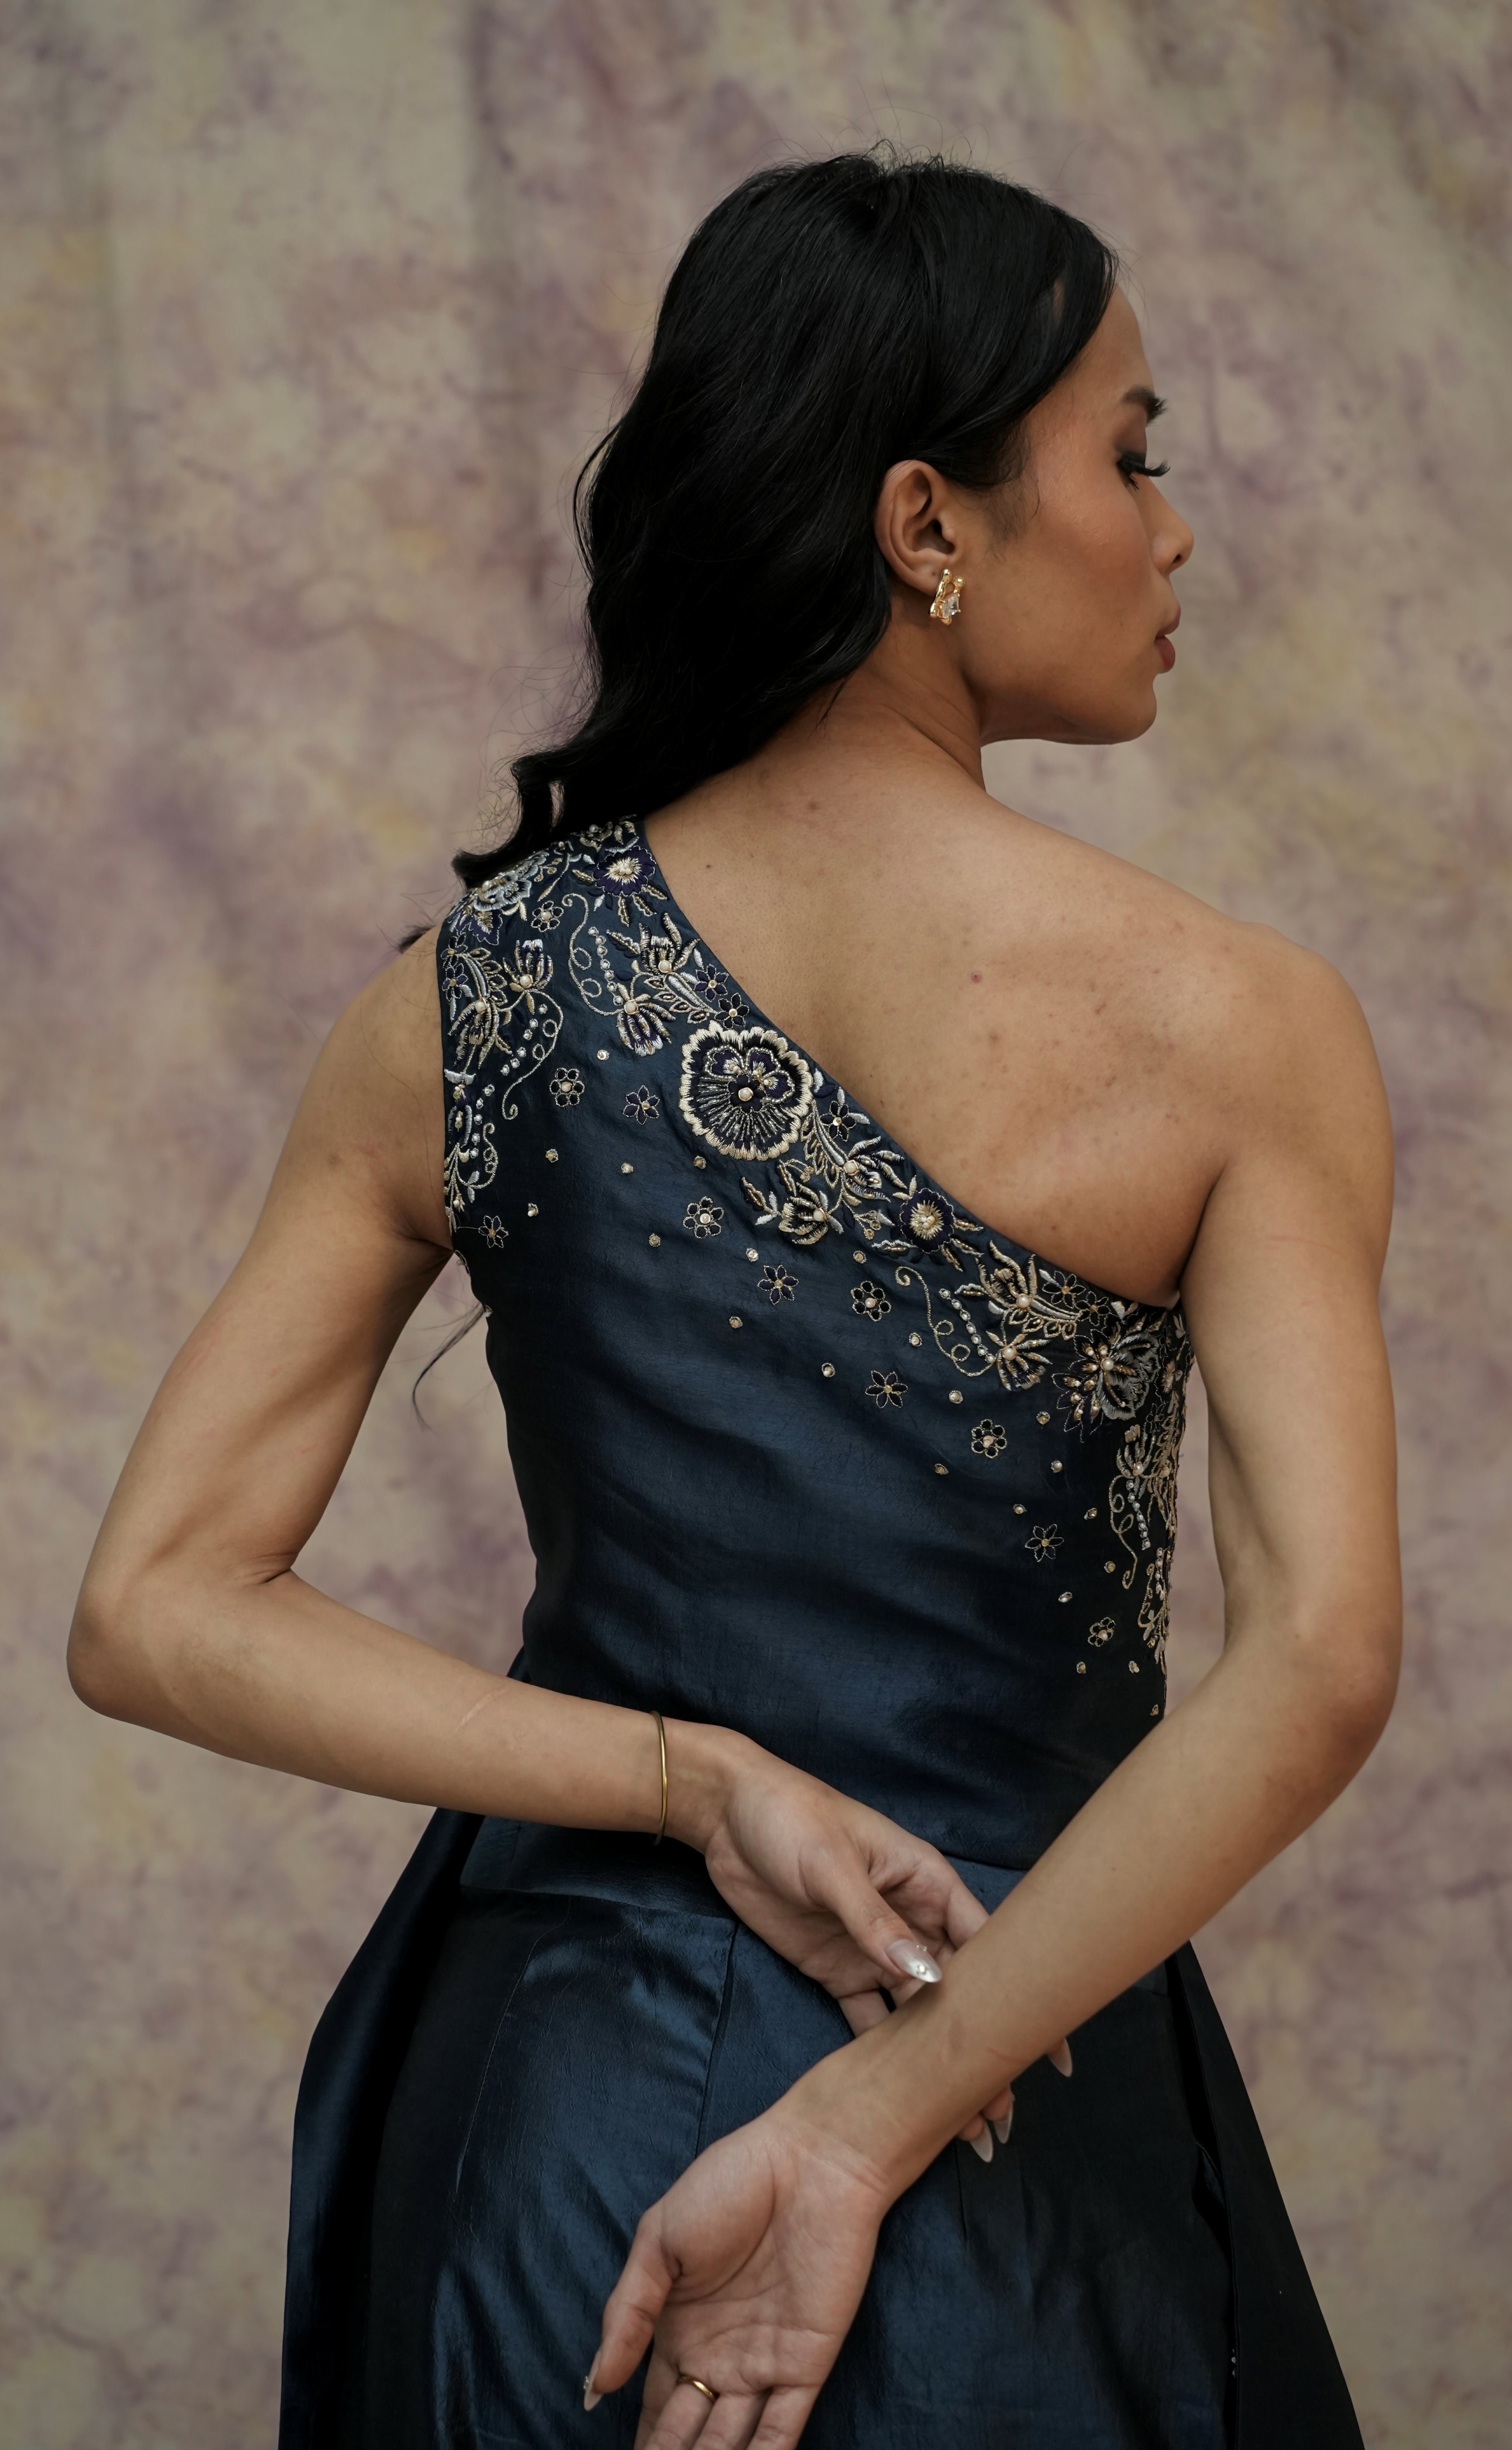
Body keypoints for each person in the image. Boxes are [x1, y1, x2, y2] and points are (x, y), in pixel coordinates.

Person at [69, 151, 1399, 2450]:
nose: (1171, 528)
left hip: (544, 2121)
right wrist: (870, 2116)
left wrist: (686, 1775)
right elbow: (1314, 1663)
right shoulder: (1231, 1022)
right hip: (1008, 2100)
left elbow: (158, 1602)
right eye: (1130, 448)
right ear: (925, 523)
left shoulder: (469, 997)